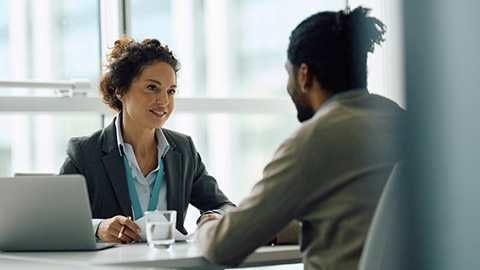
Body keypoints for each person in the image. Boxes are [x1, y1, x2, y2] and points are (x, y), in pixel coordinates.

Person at [195, 6, 406, 270]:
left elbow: (222, 247)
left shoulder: (313, 140)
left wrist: (209, 224)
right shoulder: (407, 125)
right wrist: (273, 230)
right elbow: (360, 217)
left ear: (304, 75)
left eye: (288, 73)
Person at [59, 37, 235, 243]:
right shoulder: (85, 151)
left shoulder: (183, 149)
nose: (164, 101)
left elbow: (225, 206)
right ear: (120, 90)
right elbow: (52, 216)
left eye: (171, 91)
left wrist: (213, 217)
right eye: (152, 88)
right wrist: (98, 227)